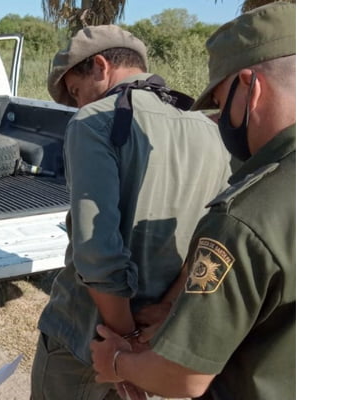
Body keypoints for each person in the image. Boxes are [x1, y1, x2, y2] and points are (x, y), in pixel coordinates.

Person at [90, 3, 296, 399]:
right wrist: (174, 308)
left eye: (220, 102)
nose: (220, 120)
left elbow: (183, 377)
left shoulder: (246, 217)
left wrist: (116, 360)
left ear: (250, 89)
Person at [31, 24, 232, 400]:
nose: (78, 104)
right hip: (159, 340)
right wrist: (162, 318)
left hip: (87, 337)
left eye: (76, 92)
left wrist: (123, 344)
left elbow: (97, 251)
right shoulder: (207, 130)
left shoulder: (94, 121)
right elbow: (214, 236)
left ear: (102, 67)